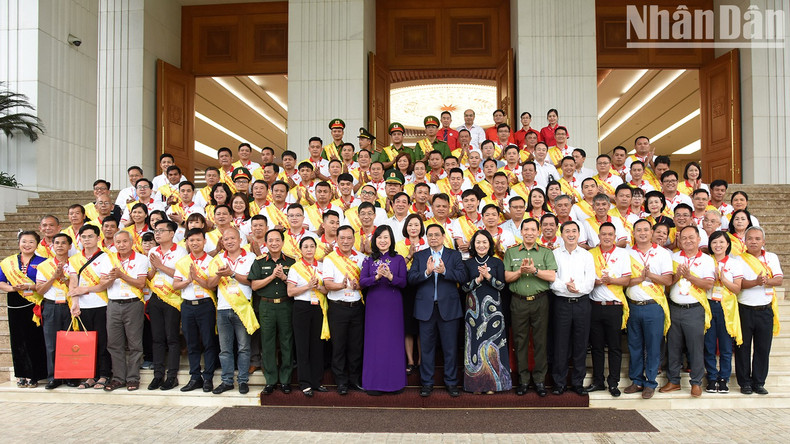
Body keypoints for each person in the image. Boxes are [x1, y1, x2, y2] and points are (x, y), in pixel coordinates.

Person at [408, 223, 468, 398]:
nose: (433, 238)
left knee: (450, 348)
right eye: (430, 235)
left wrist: (445, 271)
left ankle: (451, 382)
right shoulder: (420, 256)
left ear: (443, 236)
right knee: (426, 349)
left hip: (449, 308)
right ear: (426, 238)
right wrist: (426, 272)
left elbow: (463, 276)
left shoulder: (454, 255)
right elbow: (411, 278)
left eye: (436, 235)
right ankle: (427, 383)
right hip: (426, 309)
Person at [661, 225, 715, 398]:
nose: (688, 241)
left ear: (699, 239)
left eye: (691, 237)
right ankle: (673, 380)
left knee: (695, 347)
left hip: (694, 309)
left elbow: (709, 284)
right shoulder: (674, 257)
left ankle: (696, 382)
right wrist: (677, 276)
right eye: (684, 238)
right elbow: (667, 283)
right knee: (673, 346)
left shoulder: (707, 260)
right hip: (674, 308)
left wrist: (690, 277)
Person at [504, 218, 556, 397]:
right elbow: (507, 277)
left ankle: (539, 380)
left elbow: (552, 276)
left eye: (533, 230)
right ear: (521, 232)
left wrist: (534, 271)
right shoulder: (511, 252)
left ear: (538, 232)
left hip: (540, 301)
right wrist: (520, 271)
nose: (529, 233)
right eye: (526, 229)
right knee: (520, 342)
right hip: (518, 301)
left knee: (540, 341)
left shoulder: (545, 252)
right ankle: (524, 380)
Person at [624, 219, 673, 399]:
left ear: (652, 232)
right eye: (639, 230)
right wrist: (639, 279)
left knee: (653, 346)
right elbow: (623, 281)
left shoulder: (663, 253)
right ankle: (636, 380)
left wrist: (650, 276)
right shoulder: (627, 253)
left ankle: (650, 382)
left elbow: (668, 280)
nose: (642, 233)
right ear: (633, 233)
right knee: (634, 345)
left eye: (646, 229)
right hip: (633, 306)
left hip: (654, 306)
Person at [207, 227, 259, 395]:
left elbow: (252, 282)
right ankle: (227, 381)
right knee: (225, 349)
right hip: (223, 308)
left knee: (244, 347)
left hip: (242, 308)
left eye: (232, 238)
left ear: (240, 240)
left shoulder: (250, 257)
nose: (229, 241)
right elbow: (210, 285)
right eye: (226, 239)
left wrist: (232, 274)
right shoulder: (218, 259)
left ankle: (243, 380)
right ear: (222, 242)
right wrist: (220, 275)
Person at [359, 226, 408, 394]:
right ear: (375, 240)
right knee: (374, 343)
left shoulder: (398, 259)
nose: (383, 240)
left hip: (393, 304)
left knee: (392, 342)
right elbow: (362, 282)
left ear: (391, 239)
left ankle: (394, 383)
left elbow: (404, 283)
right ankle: (373, 384)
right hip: (374, 304)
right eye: (379, 237)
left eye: (386, 237)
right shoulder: (368, 260)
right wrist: (377, 277)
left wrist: (390, 277)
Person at [461, 230, 511, 394]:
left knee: (493, 346)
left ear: (490, 244)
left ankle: (493, 385)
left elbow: (502, 286)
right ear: (473, 245)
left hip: (493, 310)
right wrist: (478, 280)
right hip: (473, 311)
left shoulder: (497, 262)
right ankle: (476, 385)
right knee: (474, 346)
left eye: (484, 242)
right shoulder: (468, 263)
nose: (481, 245)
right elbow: (464, 287)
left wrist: (489, 277)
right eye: (478, 242)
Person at [586, 223, 632, 397]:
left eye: (610, 234)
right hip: (595, 305)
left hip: (614, 306)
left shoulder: (622, 254)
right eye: (603, 234)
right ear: (598, 236)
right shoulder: (590, 254)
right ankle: (598, 381)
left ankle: (613, 382)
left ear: (614, 236)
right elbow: (585, 278)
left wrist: (611, 280)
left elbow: (626, 280)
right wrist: (596, 282)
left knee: (614, 347)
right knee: (596, 347)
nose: (606, 237)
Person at [736, 226, 783, 395]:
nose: (753, 242)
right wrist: (756, 282)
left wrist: (765, 281)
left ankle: (759, 382)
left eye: (757, 239)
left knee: (763, 348)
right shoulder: (738, 259)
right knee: (743, 348)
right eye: (750, 238)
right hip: (744, 310)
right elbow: (740, 284)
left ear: (763, 241)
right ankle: (745, 383)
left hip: (765, 310)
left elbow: (779, 279)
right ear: (744, 241)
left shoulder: (771, 257)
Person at [550, 221, 596, 396]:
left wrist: (577, 289)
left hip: (582, 303)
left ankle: (578, 382)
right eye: (567, 231)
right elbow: (552, 279)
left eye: (574, 231)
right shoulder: (554, 254)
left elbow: (590, 281)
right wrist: (565, 287)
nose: (571, 234)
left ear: (579, 234)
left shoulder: (586, 255)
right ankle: (559, 383)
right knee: (560, 344)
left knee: (580, 344)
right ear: (561, 234)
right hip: (561, 304)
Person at [249, 229, 296, 395]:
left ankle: (285, 380)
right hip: (266, 306)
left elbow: (297, 284)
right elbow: (254, 286)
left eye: (277, 240)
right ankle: (270, 380)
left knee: (286, 342)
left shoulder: (292, 261)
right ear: (266, 243)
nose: (274, 243)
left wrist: (283, 277)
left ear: (283, 242)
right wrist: (271, 276)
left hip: (286, 305)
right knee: (267, 343)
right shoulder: (259, 261)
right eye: (271, 240)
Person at [101, 230, 149, 391]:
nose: (121, 245)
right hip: (113, 304)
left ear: (131, 242)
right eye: (118, 242)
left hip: (133, 303)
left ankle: (133, 378)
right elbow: (102, 283)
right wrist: (110, 278)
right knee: (114, 343)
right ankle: (118, 378)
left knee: (135, 343)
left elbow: (141, 283)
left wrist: (121, 275)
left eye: (124, 241)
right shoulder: (108, 259)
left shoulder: (141, 259)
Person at [172, 228, 218, 393]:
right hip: (187, 305)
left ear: (204, 241)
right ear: (187, 243)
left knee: (208, 342)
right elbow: (175, 285)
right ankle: (195, 377)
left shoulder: (212, 261)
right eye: (191, 240)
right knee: (191, 343)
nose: (195, 243)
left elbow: (212, 285)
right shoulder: (183, 262)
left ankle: (208, 377)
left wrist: (197, 278)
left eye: (198, 240)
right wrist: (188, 281)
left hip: (205, 305)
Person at [67, 225, 113, 390]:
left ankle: (104, 374)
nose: (87, 240)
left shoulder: (106, 258)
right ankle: (89, 375)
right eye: (83, 237)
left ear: (98, 238)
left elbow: (104, 284)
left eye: (90, 236)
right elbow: (73, 282)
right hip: (82, 307)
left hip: (101, 304)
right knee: (86, 343)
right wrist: (75, 302)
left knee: (102, 342)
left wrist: (84, 289)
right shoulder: (75, 259)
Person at [322, 225, 367, 394]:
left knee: (356, 345)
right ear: (337, 240)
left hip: (357, 307)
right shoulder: (330, 259)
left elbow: (366, 282)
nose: (346, 241)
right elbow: (327, 284)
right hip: (338, 307)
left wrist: (359, 285)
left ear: (354, 239)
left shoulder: (362, 258)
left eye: (349, 238)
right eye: (342, 238)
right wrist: (341, 285)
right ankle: (341, 381)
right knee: (338, 346)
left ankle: (355, 379)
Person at [0, 231, 47, 388]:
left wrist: (30, 286)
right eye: (24, 241)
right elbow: (1, 281)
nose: (27, 245)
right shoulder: (8, 262)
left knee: (35, 338)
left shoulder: (43, 262)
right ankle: (21, 374)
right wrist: (12, 288)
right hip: (15, 300)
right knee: (17, 339)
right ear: (19, 243)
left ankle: (35, 375)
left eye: (31, 242)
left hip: (35, 301)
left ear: (37, 244)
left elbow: (46, 283)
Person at [146, 219, 188, 391]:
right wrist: (154, 268)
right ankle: (158, 375)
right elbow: (149, 276)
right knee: (157, 338)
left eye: (161, 230)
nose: (157, 234)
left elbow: (181, 274)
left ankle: (172, 376)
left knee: (172, 337)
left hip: (172, 298)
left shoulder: (180, 251)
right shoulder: (153, 251)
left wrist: (160, 266)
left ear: (171, 234)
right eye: (156, 231)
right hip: (156, 297)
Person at [287, 236, 330, 397]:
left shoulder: (322, 266)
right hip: (302, 308)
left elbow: (326, 290)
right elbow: (290, 291)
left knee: (317, 345)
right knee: (302, 346)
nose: (309, 249)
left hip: (318, 307)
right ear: (300, 250)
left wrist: (317, 287)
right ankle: (304, 382)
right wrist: (307, 286)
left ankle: (317, 381)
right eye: (306, 247)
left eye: (312, 246)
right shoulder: (296, 268)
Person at [705, 230, 743, 393]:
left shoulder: (735, 263)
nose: (718, 245)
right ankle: (712, 377)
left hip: (726, 307)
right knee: (709, 345)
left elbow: (737, 288)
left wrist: (723, 279)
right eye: (714, 242)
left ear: (728, 244)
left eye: (721, 242)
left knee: (726, 346)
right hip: (708, 305)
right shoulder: (706, 261)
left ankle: (723, 378)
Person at [34, 233, 74, 389]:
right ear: (52, 246)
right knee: (51, 344)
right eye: (57, 243)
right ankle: (54, 377)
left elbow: (77, 286)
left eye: (64, 243)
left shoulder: (75, 263)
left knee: (70, 342)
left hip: (70, 306)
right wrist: (53, 277)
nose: (60, 246)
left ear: (69, 246)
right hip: (51, 306)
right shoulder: (44, 266)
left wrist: (64, 278)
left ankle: (71, 376)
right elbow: (40, 290)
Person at [395, 214, 428, 375]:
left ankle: (422, 360)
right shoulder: (399, 245)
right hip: (406, 287)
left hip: (423, 286)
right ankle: (410, 360)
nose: (413, 228)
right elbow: (397, 268)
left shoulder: (427, 244)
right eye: (410, 225)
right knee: (408, 326)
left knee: (422, 325)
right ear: (405, 227)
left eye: (416, 225)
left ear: (421, 227)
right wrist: (409, 256)